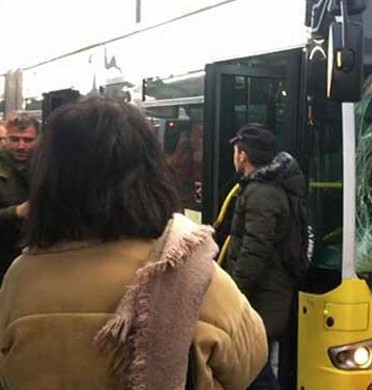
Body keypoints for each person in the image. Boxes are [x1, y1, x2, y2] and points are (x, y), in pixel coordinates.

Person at [0, 96, 267, 389]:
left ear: (50, 178)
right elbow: (251, 364)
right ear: (151, 173)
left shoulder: (19, 282)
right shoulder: (198, 279)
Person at [224, 124, 306, 390]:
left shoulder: (261, 193)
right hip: (266, 295)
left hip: (262, 297)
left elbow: (254, 251)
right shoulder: (263, 188)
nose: (234, 156)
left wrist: (232, 293)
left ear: (243, 155)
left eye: (236, 150)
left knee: (257, 371)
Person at [0, 112, 39, 278]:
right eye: (15, 139)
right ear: (6, 139)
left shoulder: (48, 168)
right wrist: (16, 212)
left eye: (28, 140)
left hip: (37, 253)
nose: (21, 146)